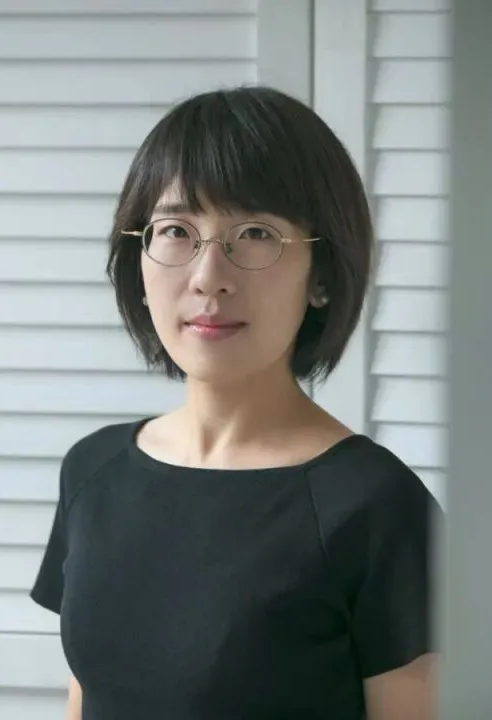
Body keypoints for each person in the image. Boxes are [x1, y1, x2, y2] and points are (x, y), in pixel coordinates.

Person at [31, 86, 441, 720]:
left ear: (321, 275)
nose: (208, 277)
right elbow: (86, 698)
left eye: (254, 233)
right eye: (176, 231)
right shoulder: (92, 471)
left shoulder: (378, 506)